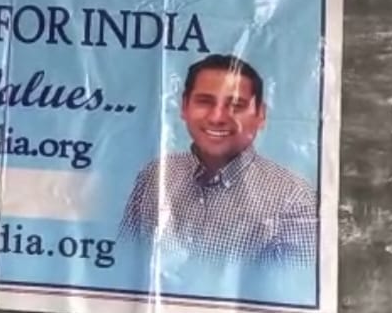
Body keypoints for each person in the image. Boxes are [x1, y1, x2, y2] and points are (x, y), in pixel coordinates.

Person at [118, 54, 318, 268]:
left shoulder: (294, 200)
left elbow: (295, 284)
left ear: (260, 114)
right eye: (204, 102)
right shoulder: (156, 175)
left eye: (236, 105)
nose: (217, 117)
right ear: (184, 106)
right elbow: (123, 264)